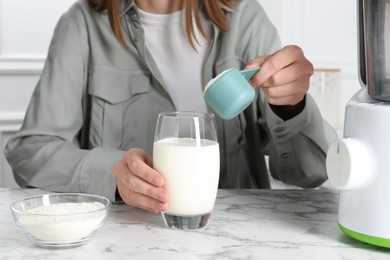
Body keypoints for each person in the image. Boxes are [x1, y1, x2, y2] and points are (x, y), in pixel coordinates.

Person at [4, 0, 337, 213]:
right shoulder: (83, 24)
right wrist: (113, 173)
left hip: (235, 239)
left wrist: (291, 106)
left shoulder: (246, 19)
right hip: (125, 239)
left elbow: (310, 173)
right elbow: (30, 151)